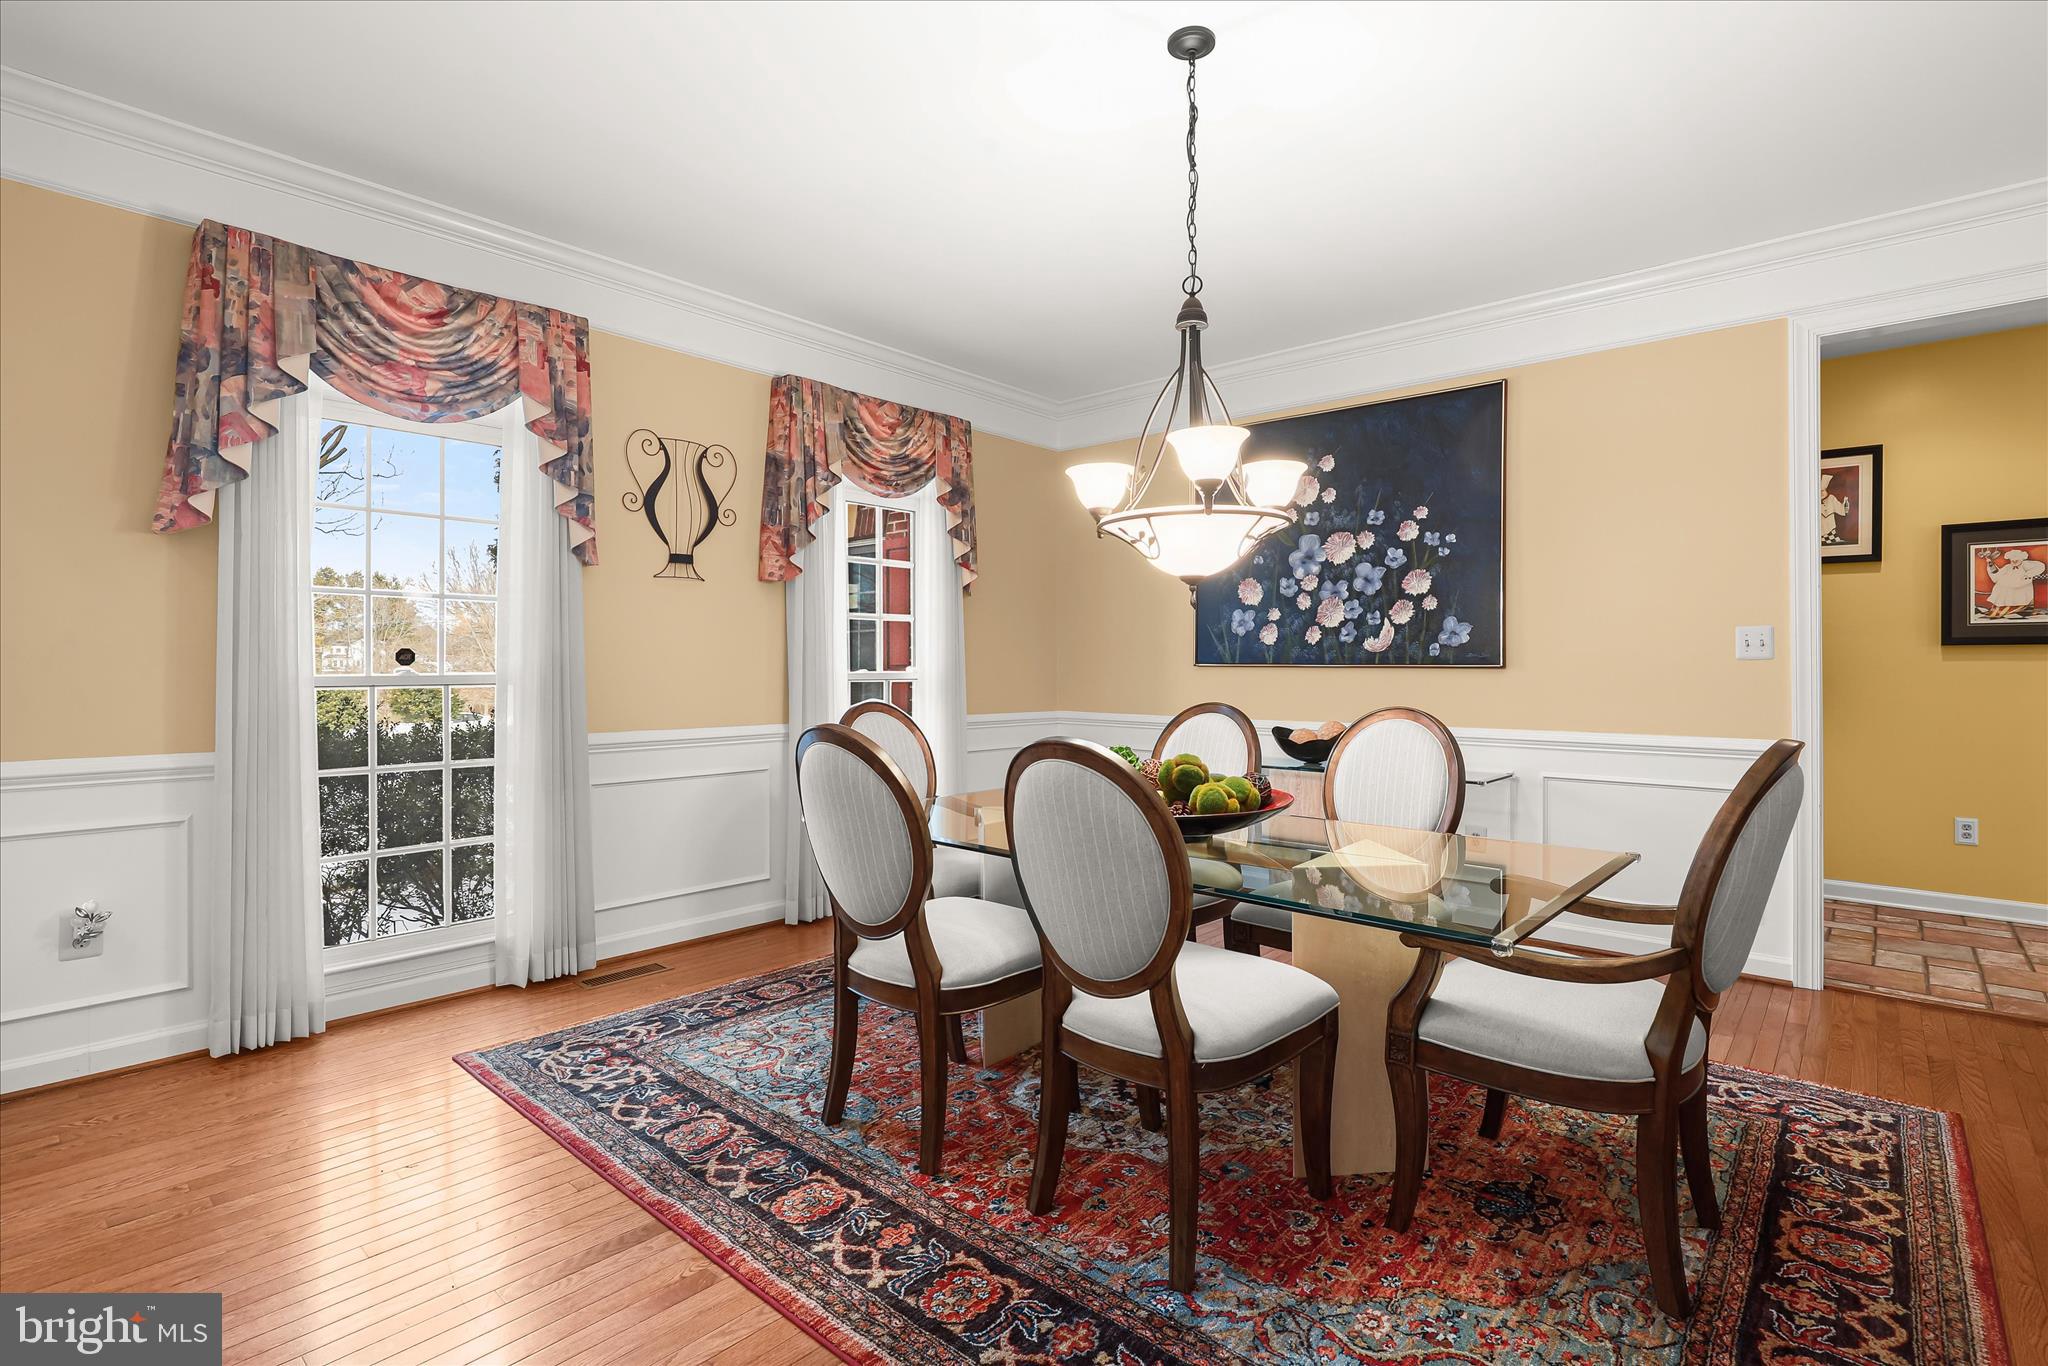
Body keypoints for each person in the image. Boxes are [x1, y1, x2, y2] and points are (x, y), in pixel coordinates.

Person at [1980, 546, 2046, 619]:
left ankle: (2012, 608)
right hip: (2009, 584)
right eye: (2012, 560)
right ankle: (1998, 607)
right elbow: (1997, 575)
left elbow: (2040, 566)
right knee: (2000, 585)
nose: (2014, 562)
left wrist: (2028, 574)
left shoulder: (2025, 564)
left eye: (2016, 560)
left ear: (2021, 559)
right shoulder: (2008, 567)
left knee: (2009, 588)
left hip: (2021, 584)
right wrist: (1991, 564)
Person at [1820, 474, 1850, 546]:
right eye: (1819, 491)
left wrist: (1845, 503)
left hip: (1831, 532)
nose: (1821, 493)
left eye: (1822, 490)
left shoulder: (1831, 498)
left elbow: (1841, 510)